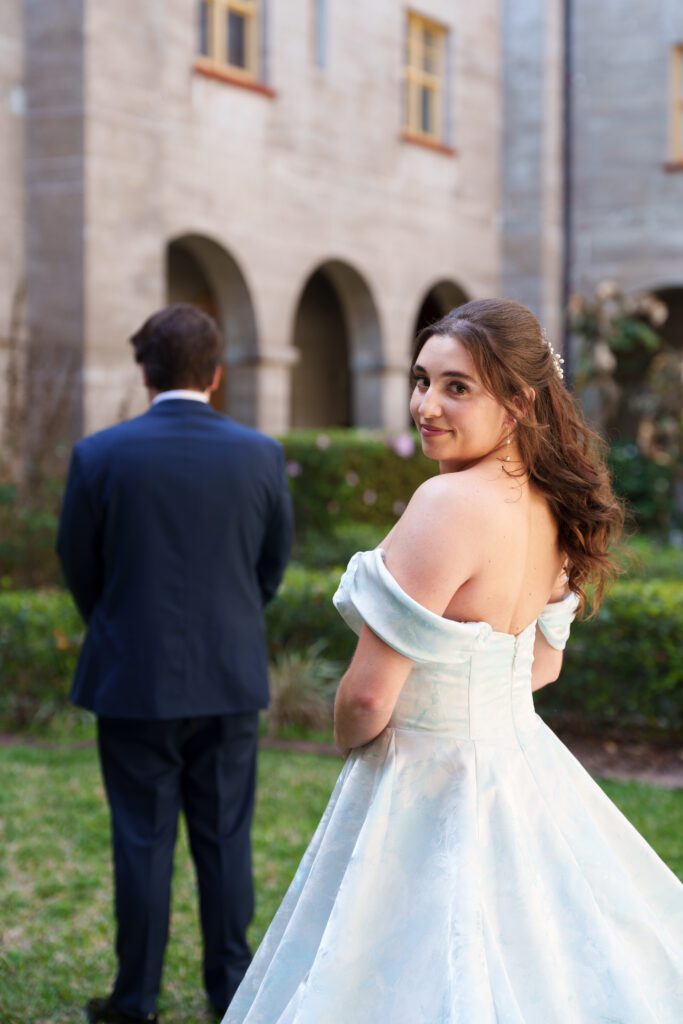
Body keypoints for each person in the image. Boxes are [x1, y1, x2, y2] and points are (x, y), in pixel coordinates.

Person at [223, 298, 683, 1023]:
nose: (425, 405)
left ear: (517, 402)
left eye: (456, 387)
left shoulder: (445, 503)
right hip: (521, 768)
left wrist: (355, 739)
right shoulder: (550, 507)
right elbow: (540, 667)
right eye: (420, 380)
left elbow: (367, 700)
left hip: (424, 776)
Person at [56, 304, 293, 1024]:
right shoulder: (259, 454)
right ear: (216, 374)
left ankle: (135, 1001)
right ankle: (232, 993)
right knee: (225, 842)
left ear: (144, 373)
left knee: (141, 842)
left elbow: (79, 566)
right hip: (228, 676)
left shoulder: (99, 455)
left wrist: (125, 626)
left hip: (133, 678)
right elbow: (270, 565)